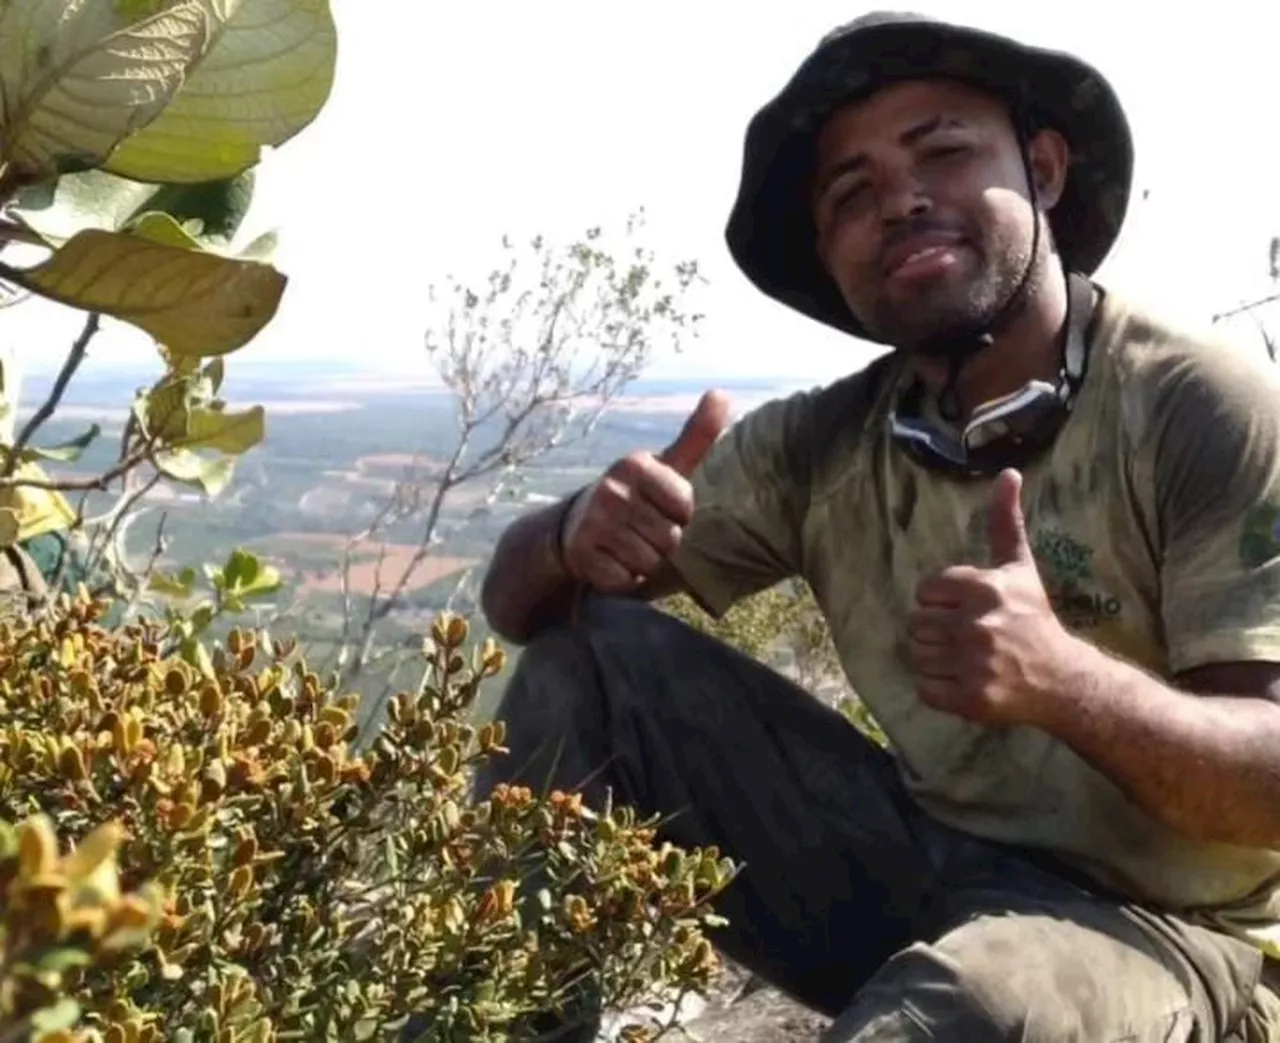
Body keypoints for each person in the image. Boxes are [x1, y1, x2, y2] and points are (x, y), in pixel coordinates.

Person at [477, 11, 1280, 1041]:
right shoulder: (822, 444)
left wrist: (1062, 682)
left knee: (964, 1008)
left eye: (942, 151)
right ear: (830, 255)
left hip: (1177, 938)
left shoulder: (1195, 408)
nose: (899, 199)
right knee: (585, 663)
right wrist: (568, 535)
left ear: (1040, 169)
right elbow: (516, 607)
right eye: (848, 194)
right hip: (921, 864)